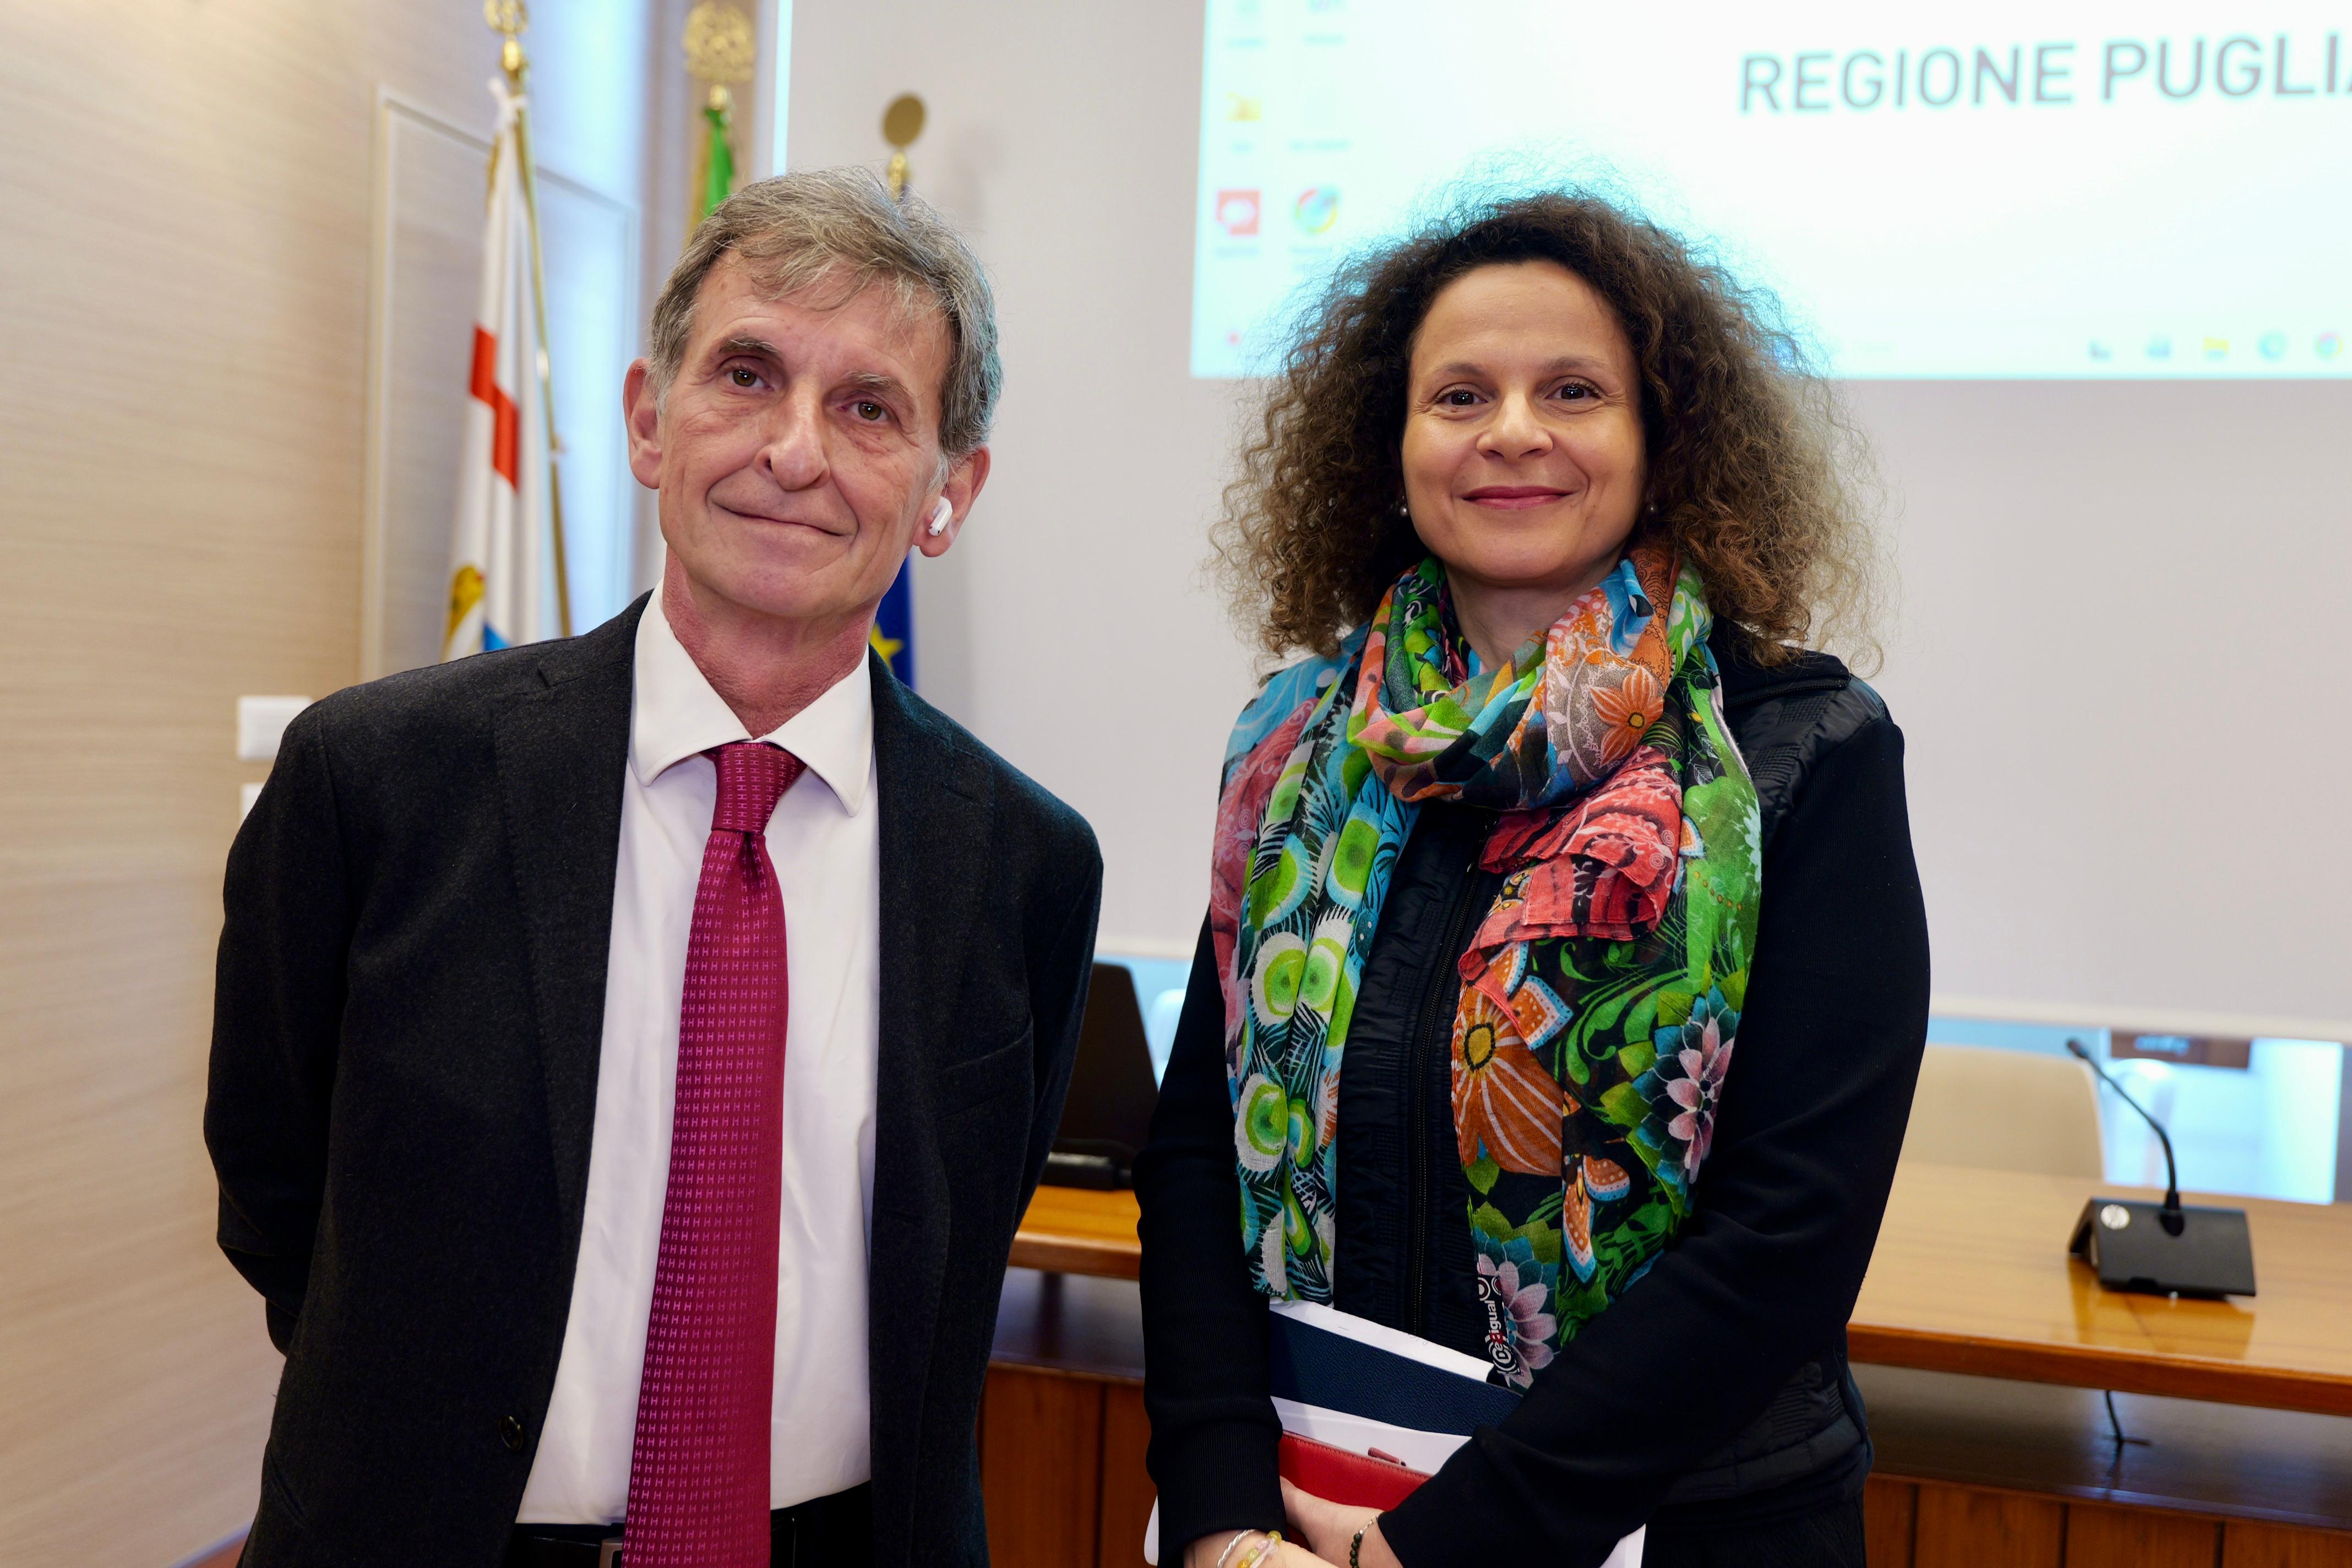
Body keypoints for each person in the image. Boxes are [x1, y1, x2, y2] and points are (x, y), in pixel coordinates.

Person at [205, 168, 1102, 1568]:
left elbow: (965, 1239)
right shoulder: (375, 779)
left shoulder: (1025, 863)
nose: (793, 452)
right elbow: (273, 1183)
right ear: (646, 418)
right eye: (746, 375)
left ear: (950, 492)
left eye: (870, 408)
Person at [1135, 189, 1929, 1568]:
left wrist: (1440, 1547)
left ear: (1661, 441)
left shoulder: (1803, 745)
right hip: (1297, 1517)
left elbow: (1789, 1234)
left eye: (1573, 390)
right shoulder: (1294, 741)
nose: (1512, 430)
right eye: (1460, 394)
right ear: (1390, 447)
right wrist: (1218, 1509)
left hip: (1687, 1528)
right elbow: (1201, 1146)